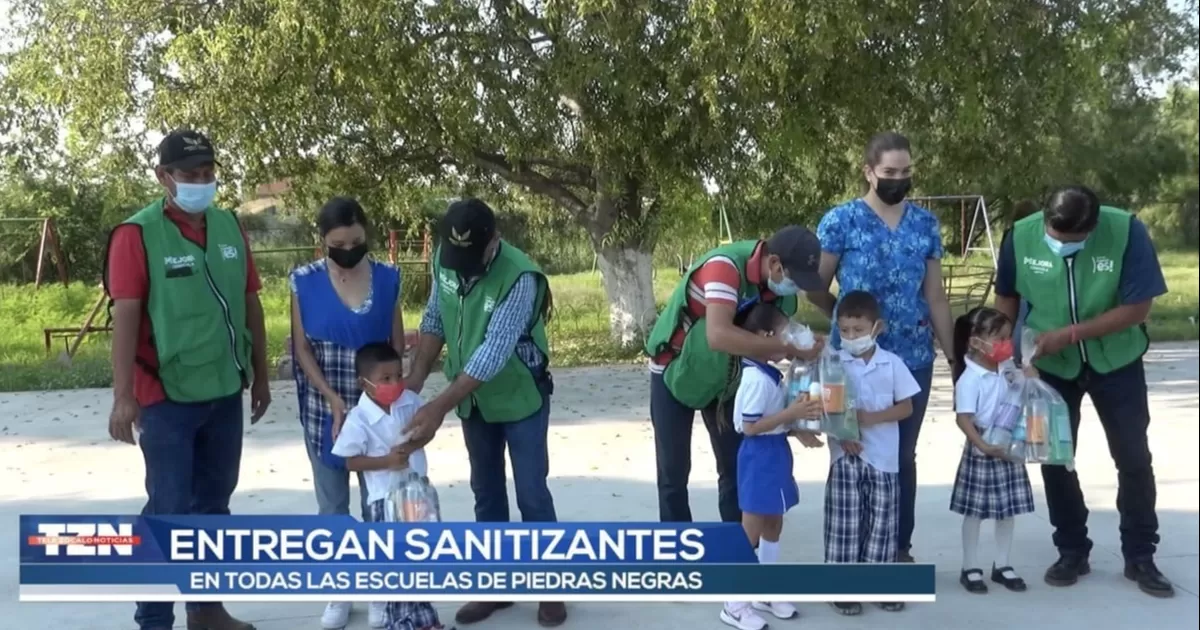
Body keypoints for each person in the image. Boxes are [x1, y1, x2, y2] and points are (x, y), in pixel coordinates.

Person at [104, 129, 270, 630]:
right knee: (170, 509)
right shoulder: (136, 235)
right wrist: (122, 396)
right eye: (189, 175)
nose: (201, 183)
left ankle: (207, 611)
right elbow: (127, 317)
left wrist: (261, 376)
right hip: (165, 397)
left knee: (214, 507)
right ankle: (154, 619)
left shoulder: (228, 226)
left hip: (224, 390)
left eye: (208, 174)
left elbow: (250, 302)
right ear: (163, 177)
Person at [994, 185, 1174, 598]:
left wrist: (1072, 334)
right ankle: (1072, 549)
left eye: (1074, 241)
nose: (1062, 247)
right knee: (1055, 458)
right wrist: (1003, 357)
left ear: (1092, 227)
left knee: (1132, 456)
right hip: (1049, 367)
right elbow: (1006, 299)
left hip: (1117, 361)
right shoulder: (1019, 236)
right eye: (1056, 239)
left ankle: (1140, 554)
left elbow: (1138, 308)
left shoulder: (1126, 231)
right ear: (1045, 220)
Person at [402, 198, 565, 627]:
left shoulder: (520, 276)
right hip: (473, 401)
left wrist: (437, 407)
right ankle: (495, 584)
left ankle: (550, 585)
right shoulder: (447, 258)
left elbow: (493, 353)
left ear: (494, 241)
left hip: (519, 396)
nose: (463, 268)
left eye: (472, 258)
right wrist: (414, 381)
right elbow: (435, 318)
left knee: (531, 492)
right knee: (486, 491)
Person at [809, 131, 955, 563]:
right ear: (868, 172)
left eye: (906, 172)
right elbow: (815, 285)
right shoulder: (841, 221)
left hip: (910, 358)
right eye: (890, 172)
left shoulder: (925, 224)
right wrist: (846, 315)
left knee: (900, 455)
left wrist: (954, 356)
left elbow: (936, 297)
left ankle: (896, 547)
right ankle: (848, 552)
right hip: (849, 360)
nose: (899, 179)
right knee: (849, 451)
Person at [645, 226, 826, 526]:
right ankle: (676, 550)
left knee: (733, 466)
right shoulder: (724, 268)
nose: (796, 288)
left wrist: (806, 345)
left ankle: (736, 547)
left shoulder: (776, 291)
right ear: (774, 264)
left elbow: (780, 337)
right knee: (673, 473)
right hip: (674, 371)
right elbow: (718, 335)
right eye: (794, 279)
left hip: (726, 379)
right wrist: (787, 346)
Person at [290, 197, 405, 628]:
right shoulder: (303, 280)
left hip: (376, 405)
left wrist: (394, 398)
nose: (348, 249)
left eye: (356, 241)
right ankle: (339, 589)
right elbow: (301, 347)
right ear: (323, 242)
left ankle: (381, 590)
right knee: (332, 503)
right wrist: (334, 400)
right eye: (338, 243)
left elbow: (395, 347)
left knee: (378, 500)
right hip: (325, 405)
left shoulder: (389, 278)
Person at [719, 302, 824, 630]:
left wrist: (796, 431)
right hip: (758, 458)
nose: (789, 343)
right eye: (784, 336)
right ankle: (734, 604)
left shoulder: (769, 374)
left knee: (773, 524)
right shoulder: (755, 380)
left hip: (775, 453)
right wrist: (791, 416)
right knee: (749, 530)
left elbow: (773, 418)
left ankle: (764, 588)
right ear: (764, 337)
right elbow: (749, 426)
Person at [330, 342, 445, 630]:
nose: (395, 384)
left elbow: (428, 429)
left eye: (398, 375)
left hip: (417, 495)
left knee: (420, 561)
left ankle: (422, 618)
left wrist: (413, 444)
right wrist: (387, 461)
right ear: (364, 383)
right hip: (385, 502)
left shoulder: (409, 401)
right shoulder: (359, 418)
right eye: (385, 379)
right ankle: (403, 621)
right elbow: (349, 461)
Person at [822, 291, 921, 616]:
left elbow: (905, 407)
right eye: (845, 330)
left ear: (876, 327)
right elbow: (825, 408)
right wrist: (844, 432)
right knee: (845, 523)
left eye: (858, 329)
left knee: (882, 523)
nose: (851, 336)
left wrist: (870, 419)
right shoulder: (834, 362)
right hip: (845, 456)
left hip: (883, 457)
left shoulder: (891, 363)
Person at [949, 306, 1036, 595]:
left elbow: (1022, 391)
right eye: (999, 338)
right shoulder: (969, 379)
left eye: (1008, 337)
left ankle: (1003, 564)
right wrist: (982, 445)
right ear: (976, 342)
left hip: (1007, 443)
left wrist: (1029, 377)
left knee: (1007, 510)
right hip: (982, 447)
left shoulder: (1006, 367)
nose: (1006, 344)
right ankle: (970, 566)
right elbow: (963, 418)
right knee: (975, 512)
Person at [1008, 200, 1039, 362]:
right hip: (1034, 283)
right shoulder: (1039, 236)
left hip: (1019, 284)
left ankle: (1018, 356)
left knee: (1020, 319)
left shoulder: (1013, 235)